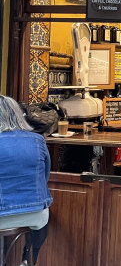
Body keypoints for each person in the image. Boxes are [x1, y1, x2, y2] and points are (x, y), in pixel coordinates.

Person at [0, 95, 52, 265]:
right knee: (43, 216)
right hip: (34, 215)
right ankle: (28, 256)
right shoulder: (37, 140)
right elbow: (44, 177)